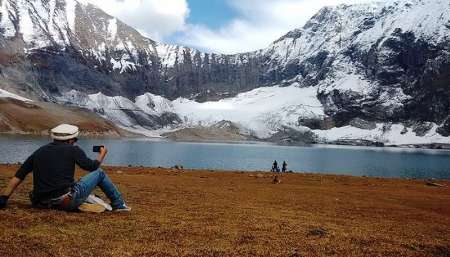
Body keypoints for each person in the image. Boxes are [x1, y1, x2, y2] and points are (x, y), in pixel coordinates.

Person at [0, 124, 130, 212]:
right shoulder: (73, 150)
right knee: (99, 173)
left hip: (39, 202)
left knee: (75, 183)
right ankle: (119, 205)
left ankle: (87, 201)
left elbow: (18, 176)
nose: (75, 141)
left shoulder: (39, 151)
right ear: (70, 140)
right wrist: (102, 154)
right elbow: (92, 167)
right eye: (75, 139)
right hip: (64, 201)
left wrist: (3, 198)